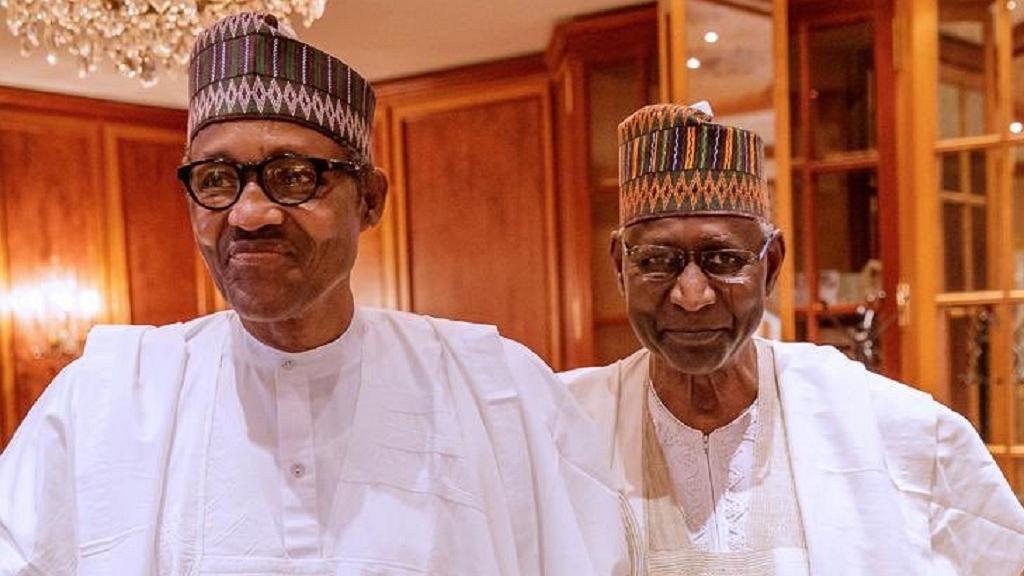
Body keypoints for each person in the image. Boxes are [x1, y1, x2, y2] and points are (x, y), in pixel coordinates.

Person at [0, 12, 627, 575]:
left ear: (370, 199)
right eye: (215, 179)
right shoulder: (107, 398)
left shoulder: (496, 392)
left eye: (293, 176)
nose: (249, 213)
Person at [562, 102, 1024, 575]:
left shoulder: (892, 430)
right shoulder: (564, 429)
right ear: (620, 266)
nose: (692, 295)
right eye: (657, 261)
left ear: (771, 265)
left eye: (724, 260)